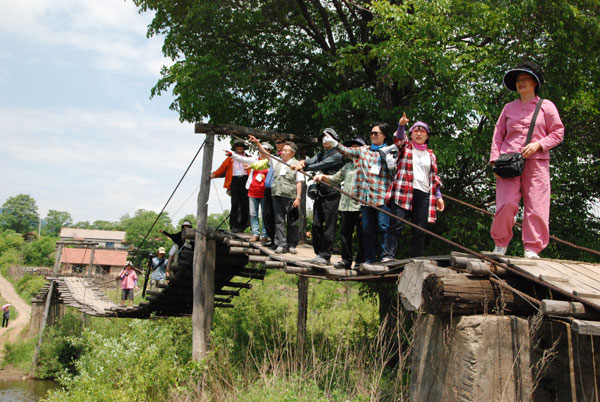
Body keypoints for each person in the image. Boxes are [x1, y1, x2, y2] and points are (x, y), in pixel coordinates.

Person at [490, 61, 564, 258]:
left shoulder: (546, 106)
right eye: (518, 80)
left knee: (537, 205)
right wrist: (495, 161)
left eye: (525, 79)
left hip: (537, 162)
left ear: (535, 82)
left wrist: (538, 144)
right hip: (509, 162)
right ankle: (500, 243)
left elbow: (558, 132)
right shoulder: (508, 108)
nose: (521, 82)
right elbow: (498, 135)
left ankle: (532, 247)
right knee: (506, 203)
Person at [322, 124, 394, 264]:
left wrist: (392, 165)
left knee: (384, 227)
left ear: (384, 135)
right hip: (365, 199)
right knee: (367, 231)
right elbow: (347, 152)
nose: (373, 135)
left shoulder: (390, 151)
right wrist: (335, 144)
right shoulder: (363, 151)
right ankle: (369, 260)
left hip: (382, 197)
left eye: (376, 133)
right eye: (371, 133)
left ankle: (387, 256)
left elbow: (394, 174)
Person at [386, 113, 444, 258]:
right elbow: (399, 139)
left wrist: (438, 196)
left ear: (427, 136)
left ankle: (416, 259)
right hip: (403, 191)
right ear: (411, 134)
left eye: (422, 131)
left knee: (419, 229)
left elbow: (434, 178)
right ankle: (388, 256)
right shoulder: (405, 147)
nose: (418, 133)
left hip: (423, 194)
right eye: (415, 131)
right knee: (396, 225)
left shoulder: (431, 155)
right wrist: (401, 125)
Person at [314, 138, 366, 269]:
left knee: (362, 235)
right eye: (352, 147)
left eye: (357, 147)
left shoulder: (367, 166)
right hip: (345, 206)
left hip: (360, 206)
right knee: (345, 235)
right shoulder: (347, 166)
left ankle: (360, 261)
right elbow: (335, 179)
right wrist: (322, 177)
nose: (354, 149)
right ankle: (346, 261)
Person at [294, 129, 343, 265]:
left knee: (329, 225)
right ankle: (319, 254)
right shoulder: (321, 153)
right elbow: (311, 160)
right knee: (316, 224)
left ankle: (326, 255)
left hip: (332, 193)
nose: (324, 140)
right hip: (319, 193)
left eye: (327, 137)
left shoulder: (338, 154)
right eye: (322, 137)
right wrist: (302, 162)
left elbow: (321, 165)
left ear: (334, 139)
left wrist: (305, 167)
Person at [248, 135, 304, 254]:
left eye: (286, 150)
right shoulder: (276, 161)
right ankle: (280, 244)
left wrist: (298, 197)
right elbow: (265, 153)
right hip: (276, 194)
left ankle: (292, 245)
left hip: (290, 196)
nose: (283, 152)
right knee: (279, 220)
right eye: (282, 150)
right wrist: (257, 142)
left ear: (292, 153)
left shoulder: (297, 164)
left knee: (292, 221)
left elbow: (299, 182)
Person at [227, 142, 274, 242]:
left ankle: (265, 234)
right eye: (261, 149)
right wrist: (232, 154)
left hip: (264, 191)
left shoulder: (272, 161)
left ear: (270, 151)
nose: (263, 152)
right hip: (253, 190)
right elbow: (243, 159)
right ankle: (255, 234)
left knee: (265, 214)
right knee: (253, 214)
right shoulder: (255, 159)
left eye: (266, 150)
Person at [211, 140, 250, 233]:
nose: (240, 147)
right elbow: (223, 167)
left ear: (244, 147)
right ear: (235, 147)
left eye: (241, 146)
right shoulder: (230, 158)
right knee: (234, 204)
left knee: (245, 204)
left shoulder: (249, 157)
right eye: (238, 145)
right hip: (235, 180)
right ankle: (233, 225)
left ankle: (242, 226)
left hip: (245, 180)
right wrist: (215, 174)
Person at [262, 138, 286, 246]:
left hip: (277, 189)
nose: (277, 144)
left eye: (280, 142)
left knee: (277, 216)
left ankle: (278, 241)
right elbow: (262, 157)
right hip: (267, 188)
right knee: (266, 214)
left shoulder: (284, 159)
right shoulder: (274, 157)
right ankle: (272, 239)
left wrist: (257, 143)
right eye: (276, 143)